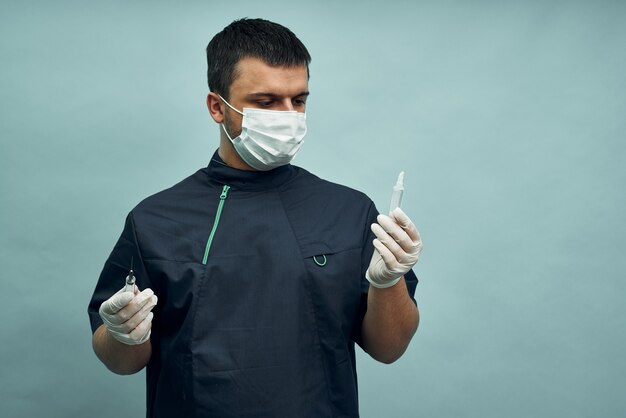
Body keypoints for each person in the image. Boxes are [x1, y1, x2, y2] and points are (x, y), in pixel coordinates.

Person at [88, 18, 423, 418]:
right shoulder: (157, 220)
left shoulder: (348, 212)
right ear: (217, 107)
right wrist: (122, 335)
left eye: (298, 101)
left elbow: (389, 349)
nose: (288, 116)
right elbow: (122, 361)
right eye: (266, 102)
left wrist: (387, 283)